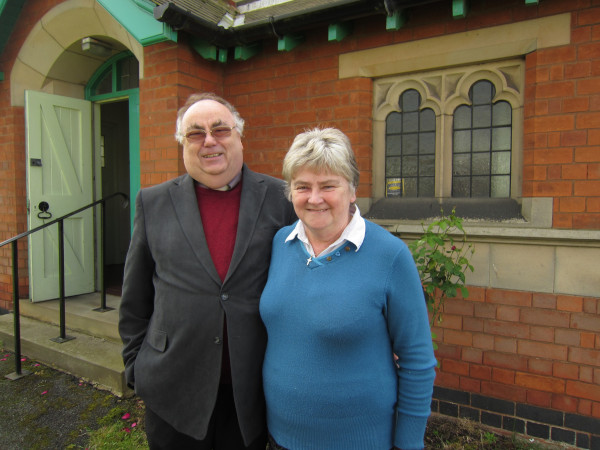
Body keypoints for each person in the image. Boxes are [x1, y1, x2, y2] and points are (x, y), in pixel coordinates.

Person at [118, 92, 296, 449]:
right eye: (195, 133)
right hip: (173, 390)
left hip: (252, 391)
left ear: (239, 136)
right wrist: (136, 368)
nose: (209, 141)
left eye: (220, 129)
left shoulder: (282, 197)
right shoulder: (152, 203)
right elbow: (135, 299)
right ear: (183, 144)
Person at [260, 127, 437, 450]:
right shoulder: (279, 244)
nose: (314, 198)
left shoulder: (390, 255)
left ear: (352, 190)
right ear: (290, 192)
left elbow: (417, 360)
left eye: (328, 185)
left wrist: (408, 443)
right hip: (279, 437)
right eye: (303, 187)